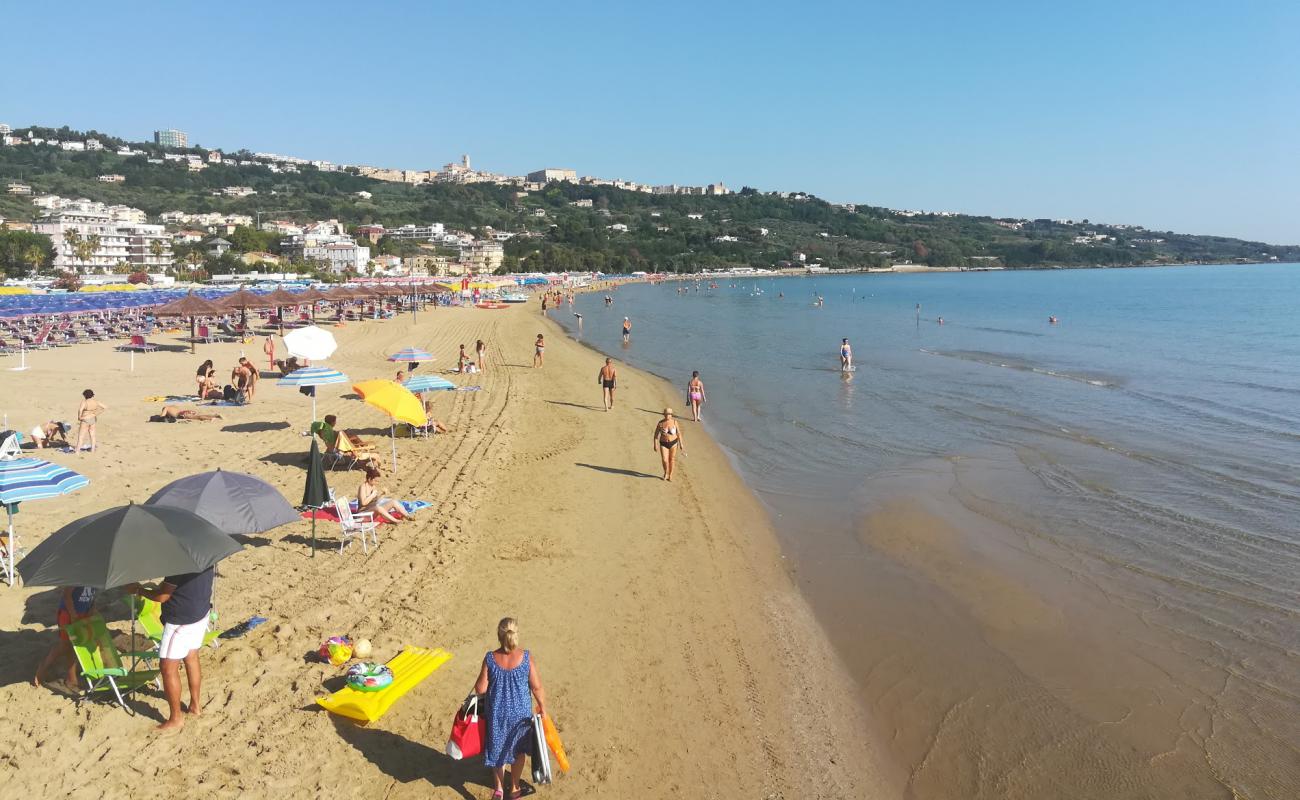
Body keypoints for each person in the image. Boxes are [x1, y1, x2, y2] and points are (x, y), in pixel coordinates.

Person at [125, 567, 214, 731]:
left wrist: (139, 590)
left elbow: (163, 596)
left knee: (167, 668)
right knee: (191, 656)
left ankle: (176, 718)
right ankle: (195, 706)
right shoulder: (206, 553)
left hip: (181, 619)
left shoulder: (179, 562)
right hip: (201, 612)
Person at [472, 617, 549, 800]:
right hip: (520, 715)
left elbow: (480, 689)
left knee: (497, 749)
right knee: (518, 750)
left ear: (499, 636)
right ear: (516, 635)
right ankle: (514, 787)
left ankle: (498, 789)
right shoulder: (526, 658)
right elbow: (536, 687)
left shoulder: (490, 658)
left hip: (497, 713)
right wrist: (542, 706)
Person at [32, 586, 97, 688]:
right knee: (65, 645)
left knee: (76, 646)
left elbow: (93, 594)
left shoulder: (98, 574)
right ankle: (43, 667)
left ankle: (71, 677)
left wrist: (92, 608)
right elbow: (67, 595)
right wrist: (73, 615)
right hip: (68, 613)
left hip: (84, 613)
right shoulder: (77, 572)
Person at [653, 408, 685, 481]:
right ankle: (665, 473)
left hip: (673, 443)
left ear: (671, 415)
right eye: (666, 414)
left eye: (669, 414)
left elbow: (679, 433)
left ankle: (670, 474)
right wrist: (655, 444)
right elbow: (656, 435)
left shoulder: (674, 422)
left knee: (671, 459)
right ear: (663, 414)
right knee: (664, 460)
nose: (668, 415)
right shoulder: (660, 423)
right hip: (663, 443)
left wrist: (681, 444)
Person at [75, 389, 106, 453]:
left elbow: (80, 410)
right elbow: (105, 407)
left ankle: (77, 451)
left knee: (81, 436)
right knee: (92, 435)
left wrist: (79, 417)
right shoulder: (96, 402)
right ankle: (92, 450)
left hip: (85, 419)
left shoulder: (84, 402)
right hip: (93, 419)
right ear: (92, 395)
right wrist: (95, 414)